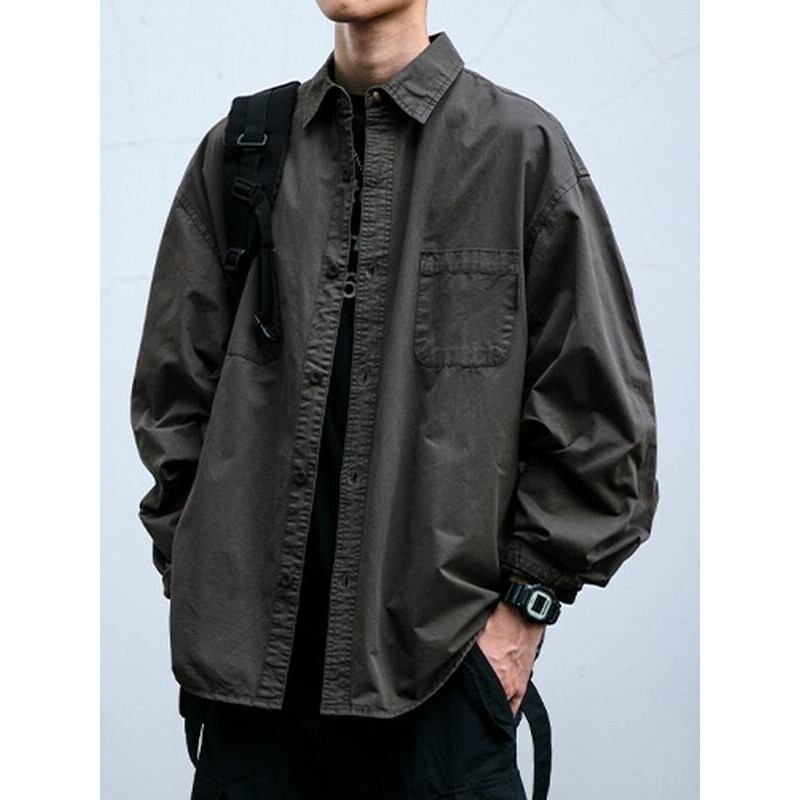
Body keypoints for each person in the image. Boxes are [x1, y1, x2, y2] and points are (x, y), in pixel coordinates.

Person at [130, 1, 659, 797]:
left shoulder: (519, 153)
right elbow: (172, 399)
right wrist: (205, 575)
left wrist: (523, 611)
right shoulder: (242, 152)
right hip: (255, 704)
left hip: (439, 687)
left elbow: (604, 421)